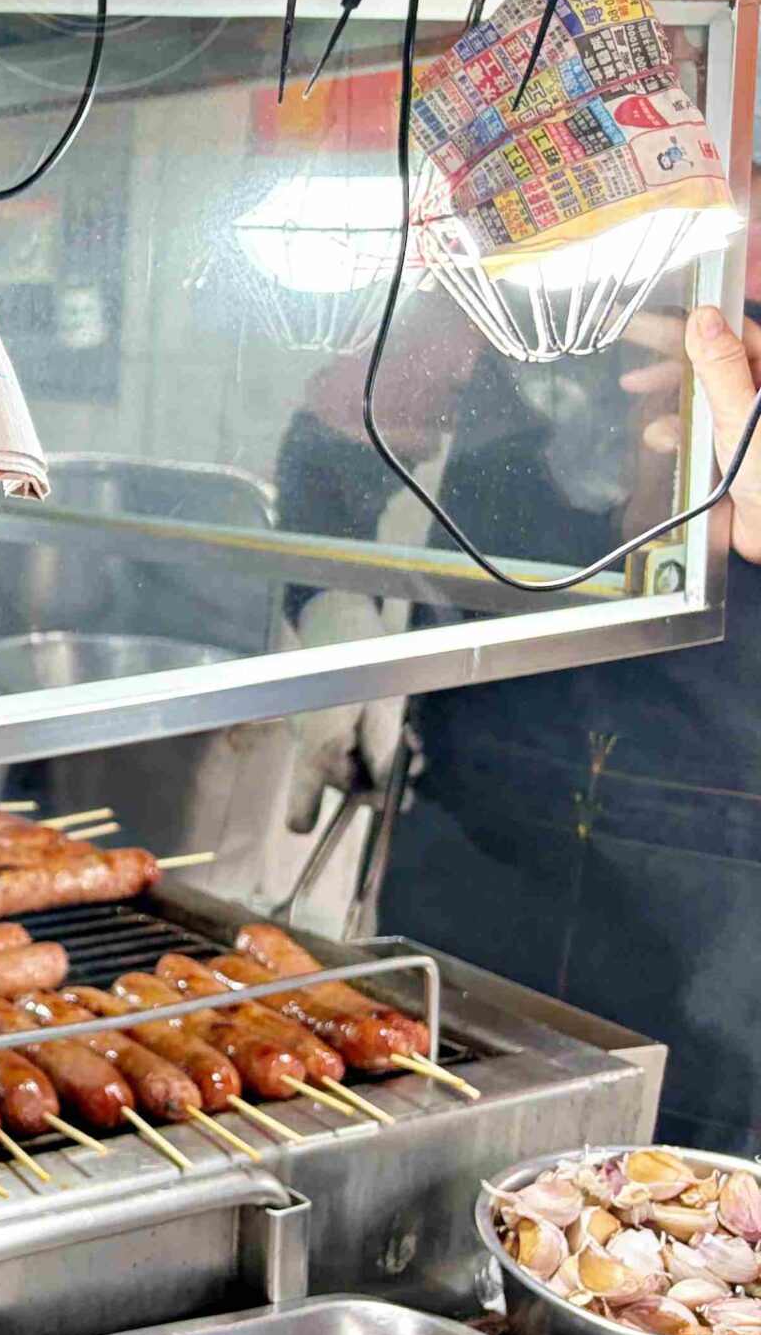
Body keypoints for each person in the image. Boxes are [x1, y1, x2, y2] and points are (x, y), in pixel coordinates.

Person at [278, 277, 761, 1152]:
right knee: (411, 1151)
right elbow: (331, 441)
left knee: (674, 1235)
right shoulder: (527, 277)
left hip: (722, 895)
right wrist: (331, 604)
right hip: (474, 829)